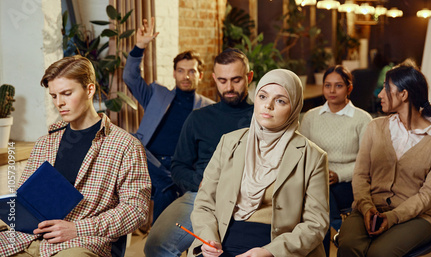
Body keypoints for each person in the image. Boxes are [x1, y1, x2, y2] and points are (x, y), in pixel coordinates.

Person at [0, 55, 151, 257]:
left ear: (89, 90)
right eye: (54, 96)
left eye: (67, 93)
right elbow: (26, 199)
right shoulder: (45, 142)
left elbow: (136, 210)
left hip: (79, 243)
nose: (59, 103)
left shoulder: (126, 146)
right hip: (26, 239)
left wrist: (78, 228)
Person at [187, 69, 329, 257]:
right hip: (222, 238)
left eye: (280, 100)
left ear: (294, 107)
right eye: (262, 96)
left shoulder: (313, 156)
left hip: (276, 244)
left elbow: (315, 224)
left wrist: (270, 252)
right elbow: (205, 203)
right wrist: (208, 238)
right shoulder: (229, 142)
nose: (268, 105)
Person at [337, 61, 431, 257]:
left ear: (404, 94)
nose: (380, 94)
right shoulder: (375, 127)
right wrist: (366, 208)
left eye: (385, 88)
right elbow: (360, 175)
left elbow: (428, 194)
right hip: (368, 209)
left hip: (415, 217)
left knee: (379, 253)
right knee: (349, 246)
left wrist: (392, 217)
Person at [144, 48, 254, 257]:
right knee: (156, 245)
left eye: (236, 80)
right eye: (222, 80)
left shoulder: (261, 117)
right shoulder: (198, 118)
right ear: (213, 79)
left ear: (249, 77)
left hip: (247, 199)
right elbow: (178, 167)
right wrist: (199, 182)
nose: (229, 87)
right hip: (201, 195)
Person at [123, 18, 214, 222]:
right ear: (174, 73)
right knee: (130, 141)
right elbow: (130, 77)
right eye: (181, 70)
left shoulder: (208, 108)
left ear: (200, 74)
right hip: (147, 159)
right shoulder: (156, 94)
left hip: (177, 166)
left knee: (166, 191)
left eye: (192, 71)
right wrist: (140, 46)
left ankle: (159, 246)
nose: (186, 76)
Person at [299, 65, 372, 232]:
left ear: (349, 88)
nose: (332, 90)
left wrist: (339, 175)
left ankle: (333, 228)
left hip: (348, 181)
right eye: (327, 85)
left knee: (316, 196)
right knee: (315, 186)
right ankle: (337, 227)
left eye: (338, 85)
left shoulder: (362, 119)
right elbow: (301, 153)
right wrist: (318, 173)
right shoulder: (311, 117)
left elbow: (367, 162)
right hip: (315, 177)